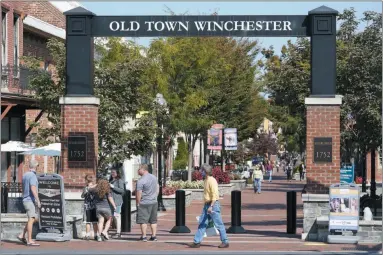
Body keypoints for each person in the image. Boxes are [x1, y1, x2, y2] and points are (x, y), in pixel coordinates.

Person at [188, 164, 229, 249]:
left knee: (218, 224)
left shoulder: (212, 180)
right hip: (207, 204)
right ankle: (197, 242)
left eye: (202, 170)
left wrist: (211, 206)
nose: (201, 172)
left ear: (205, 171)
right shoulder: (206, 180)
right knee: (202, 223)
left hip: (213, 205)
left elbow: (215, 194)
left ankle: (225, 241)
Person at [18, 160, 41, 246]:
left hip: (25, 199)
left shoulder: (25, 175)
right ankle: (29, 240)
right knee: (32, 219)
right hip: (29, 200)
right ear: (35, 167)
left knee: (34, 218)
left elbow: (23, 188)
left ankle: (22, 235)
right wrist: (38, 200)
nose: (38, 168)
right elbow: (33, 188)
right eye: (37, 166)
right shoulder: (33, 176)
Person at [136, 164, 159, 242]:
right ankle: (154, 236)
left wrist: (138, 203)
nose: (137, 171)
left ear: (143, 169)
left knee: (143, 220)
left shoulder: (141, 181)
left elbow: (138, 193)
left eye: (139, 169)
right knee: (153, 220)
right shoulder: (154, 177)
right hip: (153, 202)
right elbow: (157, 188)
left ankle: (144, 236)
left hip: (144, 203)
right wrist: (155, 197)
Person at [109, 169, 125, 239]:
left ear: (117, 173)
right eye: (111, 172)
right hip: (111, 201)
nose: (112, 173)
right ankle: (116, 231)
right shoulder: (111, 180)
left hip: (117, 201)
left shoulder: (119, 181)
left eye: (114, 172)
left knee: (117, 216)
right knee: (113, 216)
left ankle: (118, 232)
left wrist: (113, 187)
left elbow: (122, 191)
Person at [81, 174, 98, 240]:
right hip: (94, 206)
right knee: (94, 222)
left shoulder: (86, 188)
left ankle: (87, 235)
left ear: (86, 180)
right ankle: (96, 235)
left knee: (88, 222)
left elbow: (82, 196)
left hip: (87, 206)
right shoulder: (96, 187)